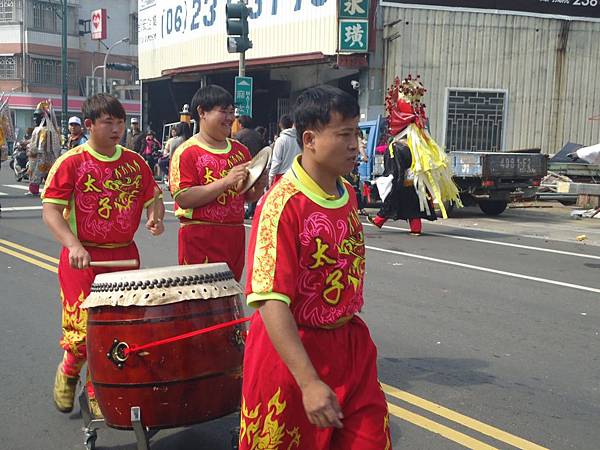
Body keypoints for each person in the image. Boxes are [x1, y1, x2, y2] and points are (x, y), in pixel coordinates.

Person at [240, 85, 391, 450]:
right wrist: (308, 382)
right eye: (344, 135)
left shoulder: (348, 194)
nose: (356, 145)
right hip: (292, 353)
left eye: (356, 133)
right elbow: (272, 301)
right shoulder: (280, 207)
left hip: (349, 346)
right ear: (309, 139)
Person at [41, 93, 165, 417]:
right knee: (83, 333)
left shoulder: (135, 163)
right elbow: (51, 211)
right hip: (83, 261)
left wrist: (156, 216)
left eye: (120, 122)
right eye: (108, 122)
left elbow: (154, 196)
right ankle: (69, 371)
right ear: (89, 125)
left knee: (120, 331)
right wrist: (73, 245)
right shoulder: (71, 163)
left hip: (124, 260)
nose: (116, 129)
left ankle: (98, 390)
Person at [169, 85, 266, 281]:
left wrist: (259, 185)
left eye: (232, 112)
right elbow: (183, 197)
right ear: (202, 112)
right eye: (223, 111)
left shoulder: (241, 151)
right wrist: (225, 182)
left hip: (234, 235)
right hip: (200, 236)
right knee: (201, 302)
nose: (230, 118)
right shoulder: (187, 152)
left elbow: (245, 196)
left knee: (229, 298)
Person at [368, 75, 460, 234]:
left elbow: (395, 171)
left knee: (395, 202)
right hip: (416, 183)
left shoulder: (397, 146)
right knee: (415, 207)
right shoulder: (420, 146)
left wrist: (388, 181)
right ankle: (413, 229)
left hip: (402, 183)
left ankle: (379, 220)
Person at [268, 114, 302, 185]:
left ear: (280, 125)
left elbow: (276, 161)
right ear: (292, 124)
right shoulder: (299, 139)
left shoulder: (281, 140)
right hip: (296, 175)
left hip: (282, 177)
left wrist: (271, 176)